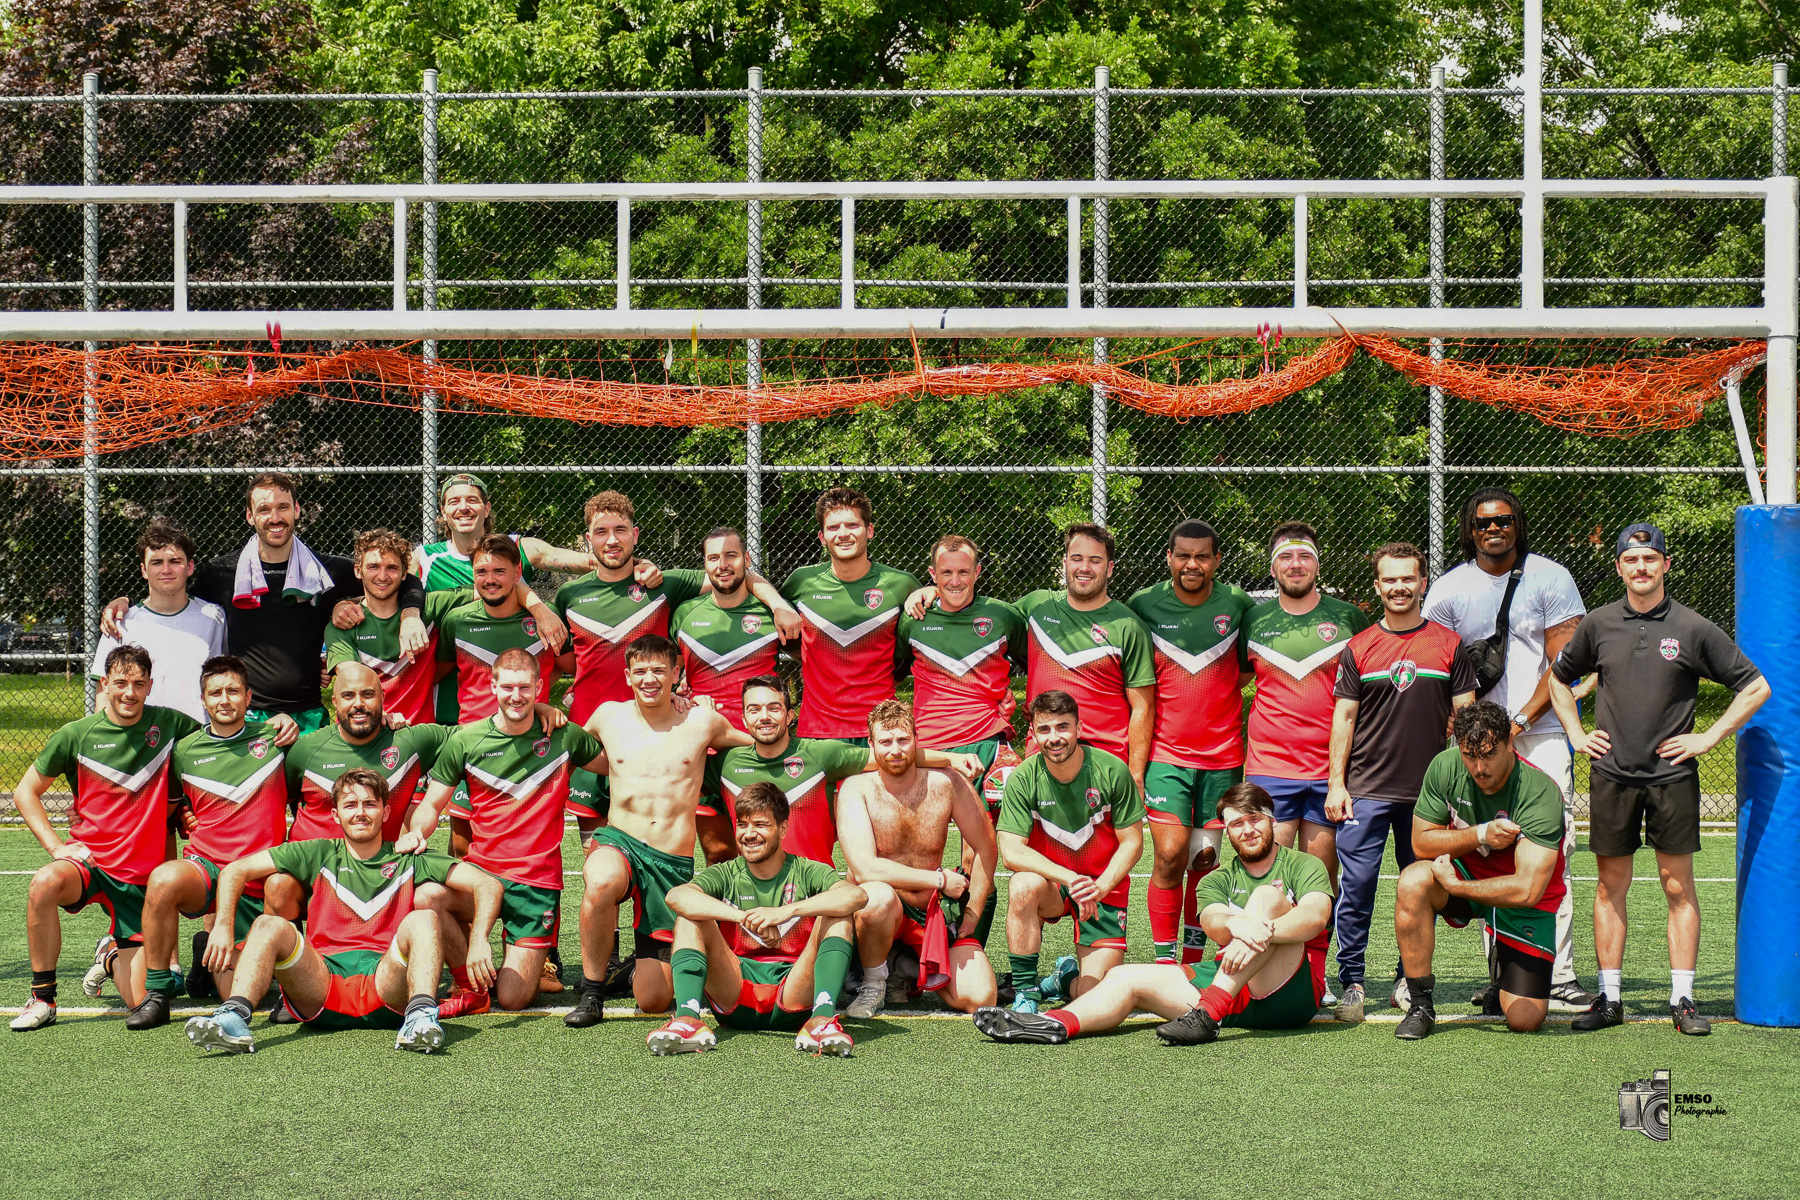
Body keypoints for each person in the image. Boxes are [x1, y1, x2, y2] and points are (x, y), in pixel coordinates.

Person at [1549, 523, 1768, 1036]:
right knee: (1611, 885)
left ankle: (1683, 999)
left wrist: (1708, 737)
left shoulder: (1693, 627)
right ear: (1619, 567)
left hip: (1672, 777)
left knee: (1677, 884)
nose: (1641, 567)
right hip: (1612, 774)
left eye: (1650, 558)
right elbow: (1558, 679)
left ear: (1666, 564)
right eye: (1632, 559)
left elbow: (1755, 686)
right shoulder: (1598, 624)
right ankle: (1609, 998)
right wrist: (1577, 734)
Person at [974, 781, 1331, 1045]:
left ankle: (1208, 1012)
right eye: (1237, 824)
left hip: (1290, 994)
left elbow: (1316, 917)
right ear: (1226, 831)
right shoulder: (1217, 878)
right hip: (1233, 989)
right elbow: (1215, 926)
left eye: (1255, 820)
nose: (1248, 830)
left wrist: (1260, 928)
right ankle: (1053, 1023)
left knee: (1266, 899)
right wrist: (1240, 925)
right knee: (1124, 977)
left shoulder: (1302, 865)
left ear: (1272, 821)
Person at [183, 768, 503, 1055]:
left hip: (386, 986)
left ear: (385, 812)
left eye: (370, 804)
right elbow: (235, 870)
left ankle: (420, 1018)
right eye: (350, 805)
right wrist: (222, 926)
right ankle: (233, 1019)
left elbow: (488, 885)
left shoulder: (408, 857)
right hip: (321, 986)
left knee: (424, 918)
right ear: (336, 815)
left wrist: (479, 940)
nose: (360, 813)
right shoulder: (318, 852)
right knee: (268, 924)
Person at [1422, 487, 1595, 1012]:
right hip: (1477, 745)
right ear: (1469, 529)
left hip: (1540, 734)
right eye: (1482, 522)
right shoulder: (1449, 588)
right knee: (1485, 851)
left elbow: (1563, 666)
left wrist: (1518, 722)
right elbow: (1440, 666)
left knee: (1552, 849)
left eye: (1502, 520)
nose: (1493, 529)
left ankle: (1558, 972)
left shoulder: (1551, 577)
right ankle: (1502, 973)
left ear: (1517, 524)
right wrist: (1474, 735)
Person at [101, 472, 429, 733]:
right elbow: (174, 594)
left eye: (283, 507)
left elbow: (402, 579)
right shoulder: (222, 573)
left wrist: (411, 615)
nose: (275, 517)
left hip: (310, 713)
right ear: (249, 516)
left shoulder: (327, 571)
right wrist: (126, 601)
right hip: (247, 716)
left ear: (296, 511)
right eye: (264, 509)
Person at [402, 648, 610, 1013]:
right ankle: (470, 983)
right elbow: (431, 805)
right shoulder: (466, 741)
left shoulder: (565, 737)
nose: (516, 696)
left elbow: (616, 762)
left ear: (539, 688)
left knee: (514, 999)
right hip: (481, 874)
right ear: (493, 686)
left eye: (525, 688)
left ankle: (515, 966)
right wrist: (417, 832)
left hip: (536, 881)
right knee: (427, 897)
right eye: (508, 687)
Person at [9, 647, 200, 1031]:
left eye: (138, 684)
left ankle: (110, 954)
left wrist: (187, 807)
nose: (129, 692)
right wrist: (57, 847)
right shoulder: (76, 735)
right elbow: (24, 792)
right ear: (105, 684)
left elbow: (221, 744)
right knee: (43, 883)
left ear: (150, 686)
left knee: (142, 1002)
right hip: (90, 863)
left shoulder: (172, 725)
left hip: (140, 880)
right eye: (121, 683)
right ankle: (43, 999)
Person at [568, 635, 753, 1025]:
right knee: (601, 879)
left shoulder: (702, 721)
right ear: (627, 676)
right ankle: (591, 992)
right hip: (619, 841)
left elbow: (759, 745)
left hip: (670, 862)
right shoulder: (607, 716)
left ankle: (632, 970)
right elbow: (568, 749)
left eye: (658, 670)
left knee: (653, 1000)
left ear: (676, 675)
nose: (648, 679)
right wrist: (544, 711)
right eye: (640, 671)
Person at [1325, 543, 1475, 1021]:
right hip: (1365, 790)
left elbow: (1466, 719)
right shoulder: (1359, 647)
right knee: (1357, 888)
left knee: (1420, 889)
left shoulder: (1449, 644)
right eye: (1389, 580)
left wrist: (1464, 788)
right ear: (1377, 586)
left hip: (1428, 797)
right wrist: (1336, 784)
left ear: (1422, 582)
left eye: (1408, 578)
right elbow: (1344, 719)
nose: (1399, 587)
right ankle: (1352, 981)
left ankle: (1407, 981)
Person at [131, 655, 301, 1029]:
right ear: (204, 700)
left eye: (233, 691)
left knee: (236, 991)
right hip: (207, 868)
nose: (225, 699)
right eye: (215, 693)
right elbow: (171, 808)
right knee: (163, 879)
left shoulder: (276, 740)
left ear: (248, 697)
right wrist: (182, 815)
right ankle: (157, 993)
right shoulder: (184, 751)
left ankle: (207, 957)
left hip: (259, 876)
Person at [1392, 701, 1568, 1040]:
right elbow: (1421, 843)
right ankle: (1420, 1006)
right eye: (1469, 755)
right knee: (1412, 880)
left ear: (1509, 743)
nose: (1479, 767)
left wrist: (1456, 887)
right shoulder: (1444, 766)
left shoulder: (1540, 791)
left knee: (1525, 1019)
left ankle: (1503, 970)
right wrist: (1480, 834)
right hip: (1467, 872)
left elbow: (1527, 889)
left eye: (1488, 754)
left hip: (1520, 899)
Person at [650, 782, 868, 1055]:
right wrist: (744, 917)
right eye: (742, 825)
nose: (749, 834)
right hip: (736, 990)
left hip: (794, 991)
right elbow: (677, 897)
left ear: (783, 829)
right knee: (689, 917)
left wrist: (787, 911)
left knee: (838, 914)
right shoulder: (727, 872)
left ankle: (822, 1020)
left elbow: (855, 896)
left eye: (761, 825)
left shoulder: (806, 870)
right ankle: (688, 1019)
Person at [1128, 518, 1255, 967]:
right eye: (1183, 555)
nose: (1192, 564)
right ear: (1169, 557)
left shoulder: (1238, 604)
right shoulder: (1143, 604)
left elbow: (1245, 669)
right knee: (1168, 855)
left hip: (1223, 759)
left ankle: (1194, 961)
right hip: (1166, 756)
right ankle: (1164, 960)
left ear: (1217, 560)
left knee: (1204, 860)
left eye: (1202, 556)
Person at [558, 491, 797, 727]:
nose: (612, 540)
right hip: (586, 726)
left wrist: (778, 606)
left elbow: (731, 574)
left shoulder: (667, 583)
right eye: (601, 532)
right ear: (589, 539)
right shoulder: (569, 595)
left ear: (635, 534)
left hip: (652, 728)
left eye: (620, 530)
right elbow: (563, 661)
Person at [711, 675, 984, 868]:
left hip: (815, 888)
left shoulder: (820, 754)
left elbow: (889, 755)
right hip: (752, 891)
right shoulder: (725, 764)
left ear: (790, 716)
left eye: (774, 708)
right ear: (743, 718)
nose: (764, 717)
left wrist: (952, 759)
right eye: (754, 710)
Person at [837, 700, 999, 1018]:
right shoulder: (856, 788)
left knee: (980, 997)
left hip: (931, 912)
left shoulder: (947, 782)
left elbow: (986, 846)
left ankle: (904, 966)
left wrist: (973, 911)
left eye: (903, 739)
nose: (895, 750)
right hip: (883, 910)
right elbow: (865, 867)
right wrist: (939, 879)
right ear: (871, 744)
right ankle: (873, 982)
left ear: (916, 739)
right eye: (885, 742)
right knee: (876, 898)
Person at [992, 691, 1144, 1014]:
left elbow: (1133, 843)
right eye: (1044, 729)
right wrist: (1071, 879)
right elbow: (1011, 852)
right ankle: (1026, 992)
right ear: (1033, 734)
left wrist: (1099, 887)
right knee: (1022, 884)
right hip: (1054, 884)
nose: (1054, 738)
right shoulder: (1023, 778)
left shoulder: (1112, 770)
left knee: (1096, 998)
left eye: (1063, 727)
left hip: (1101, 887)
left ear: (1079, 728)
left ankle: (1063, 981)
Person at [1243, 522, 1369, 907]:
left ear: (1317, 564)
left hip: (1329, 770)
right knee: (1268, 879)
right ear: (1272, 567)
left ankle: (1317, 949)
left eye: (1304, 556)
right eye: (1285, 556)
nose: (1295, 564)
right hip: (1270, 768)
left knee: (1319, 878)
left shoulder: (1349, 618)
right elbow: (1234, 680)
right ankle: (1270, 948)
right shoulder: (1253, 620)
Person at [326, 528, 516, 727]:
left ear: (404, 573)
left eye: (392, 568)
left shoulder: (431, 607)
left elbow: (496, 587)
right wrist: (382, 716)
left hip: (420, 735)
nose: (382, 576)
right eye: (373, 567)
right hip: (365, 731)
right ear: (358, 571)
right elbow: (353, 682)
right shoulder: (343, 623)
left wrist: (536, 609)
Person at [780, 487, 922, 743]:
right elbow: (778, 626)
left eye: (853, 525)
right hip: (817, 730)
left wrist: (931, 590)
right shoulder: (802, 582)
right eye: (833, 527)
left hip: (882, 732)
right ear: (822, 537)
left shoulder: (902, 585)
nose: (843, 533)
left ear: (869, 530)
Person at [1015, 524, 1155, 776]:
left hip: (1105, 760)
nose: (1085, 567)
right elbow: (986, 630)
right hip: (1043, 754)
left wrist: (1135, 776)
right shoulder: (1036, 606)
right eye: (1077, 558)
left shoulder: (1129, 626)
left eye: (1095, 560)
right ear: (1065, 562)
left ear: (1110, 568)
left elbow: (1142, 709)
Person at [898, 534, 1027, 777]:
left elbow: (1037, 666)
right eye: (946, 572)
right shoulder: (914, 618)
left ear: (977, 572)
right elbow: (893, 673)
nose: (955, 581)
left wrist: (1021, 701)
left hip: (988, 740)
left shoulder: (1004, 617)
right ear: (933, 574)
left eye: (964, 572)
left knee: (1006, 798)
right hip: (929, 746)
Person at [88, 519, 226, 723]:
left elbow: (225, 680)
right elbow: (104, 695)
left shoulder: (214, 618)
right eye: (156, 562)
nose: (166, 569)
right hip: (139, 737)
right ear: (144, 570)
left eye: (175, 561)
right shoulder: (121, 622)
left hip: (198, 735)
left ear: (189, 567)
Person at [672, 525, 787, 732]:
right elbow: (669, 672)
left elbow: (807, 661)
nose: (722, 565)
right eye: (713, 558)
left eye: (731, 556)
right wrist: (675, 692)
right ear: (705, 564)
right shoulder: (683, 615)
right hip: (701, 735)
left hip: (760, 736)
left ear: (747, 559)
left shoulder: (774, 613)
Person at [437, 535, 562, 722]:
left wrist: (536, 696)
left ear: (517, 572)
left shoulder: (546, 617)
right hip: (473, 733)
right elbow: (438, 672)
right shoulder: (456, 621)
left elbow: (571, 665)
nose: (490, 579)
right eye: (481, 571)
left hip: (532, 733)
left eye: (499, 571)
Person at [414, 471, 595, 588]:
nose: (463, 508)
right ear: (444, 512)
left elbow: (590, 563)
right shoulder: (423, 558)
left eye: (472, 500)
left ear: (486, 509)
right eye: (454, 502)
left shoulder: (519, 548)